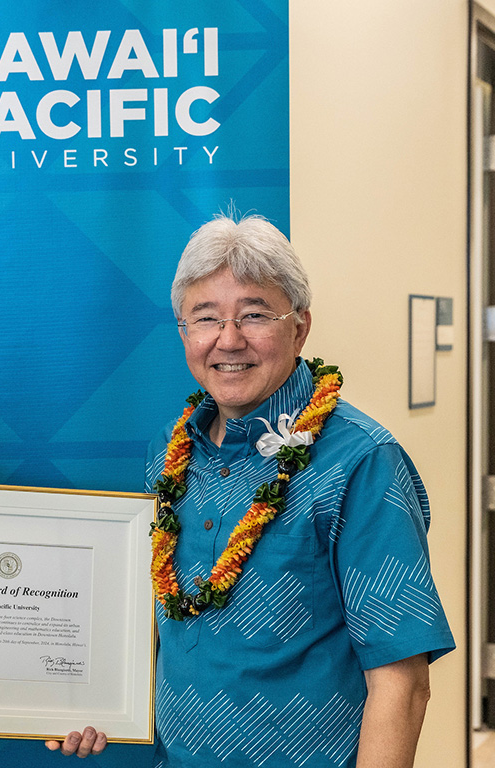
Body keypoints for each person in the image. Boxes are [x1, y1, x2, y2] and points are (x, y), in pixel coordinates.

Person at [50, 213, 454, 766]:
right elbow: (150, 623)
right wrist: (92, 701)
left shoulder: (361, 460)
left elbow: (402, 685)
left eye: (254, 315)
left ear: (300, 327)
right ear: (183, 332)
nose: (228, 340)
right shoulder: (171, 454)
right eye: (205, 318)